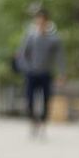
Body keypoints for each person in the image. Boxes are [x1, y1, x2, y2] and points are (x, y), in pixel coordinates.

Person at [16, 9, 64, 138]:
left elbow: (60, 57)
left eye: (43, 20)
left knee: (46, 101)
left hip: (46, 74)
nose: (41, 22)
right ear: (36, 21)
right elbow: (22, 54)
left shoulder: (54, 38)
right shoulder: (30, 37)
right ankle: (33, 122)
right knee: (29, 100)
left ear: (47, 21)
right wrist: (26, 67)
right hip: (31, 74)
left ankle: (43, 124)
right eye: (39, 19)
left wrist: (61, 73)